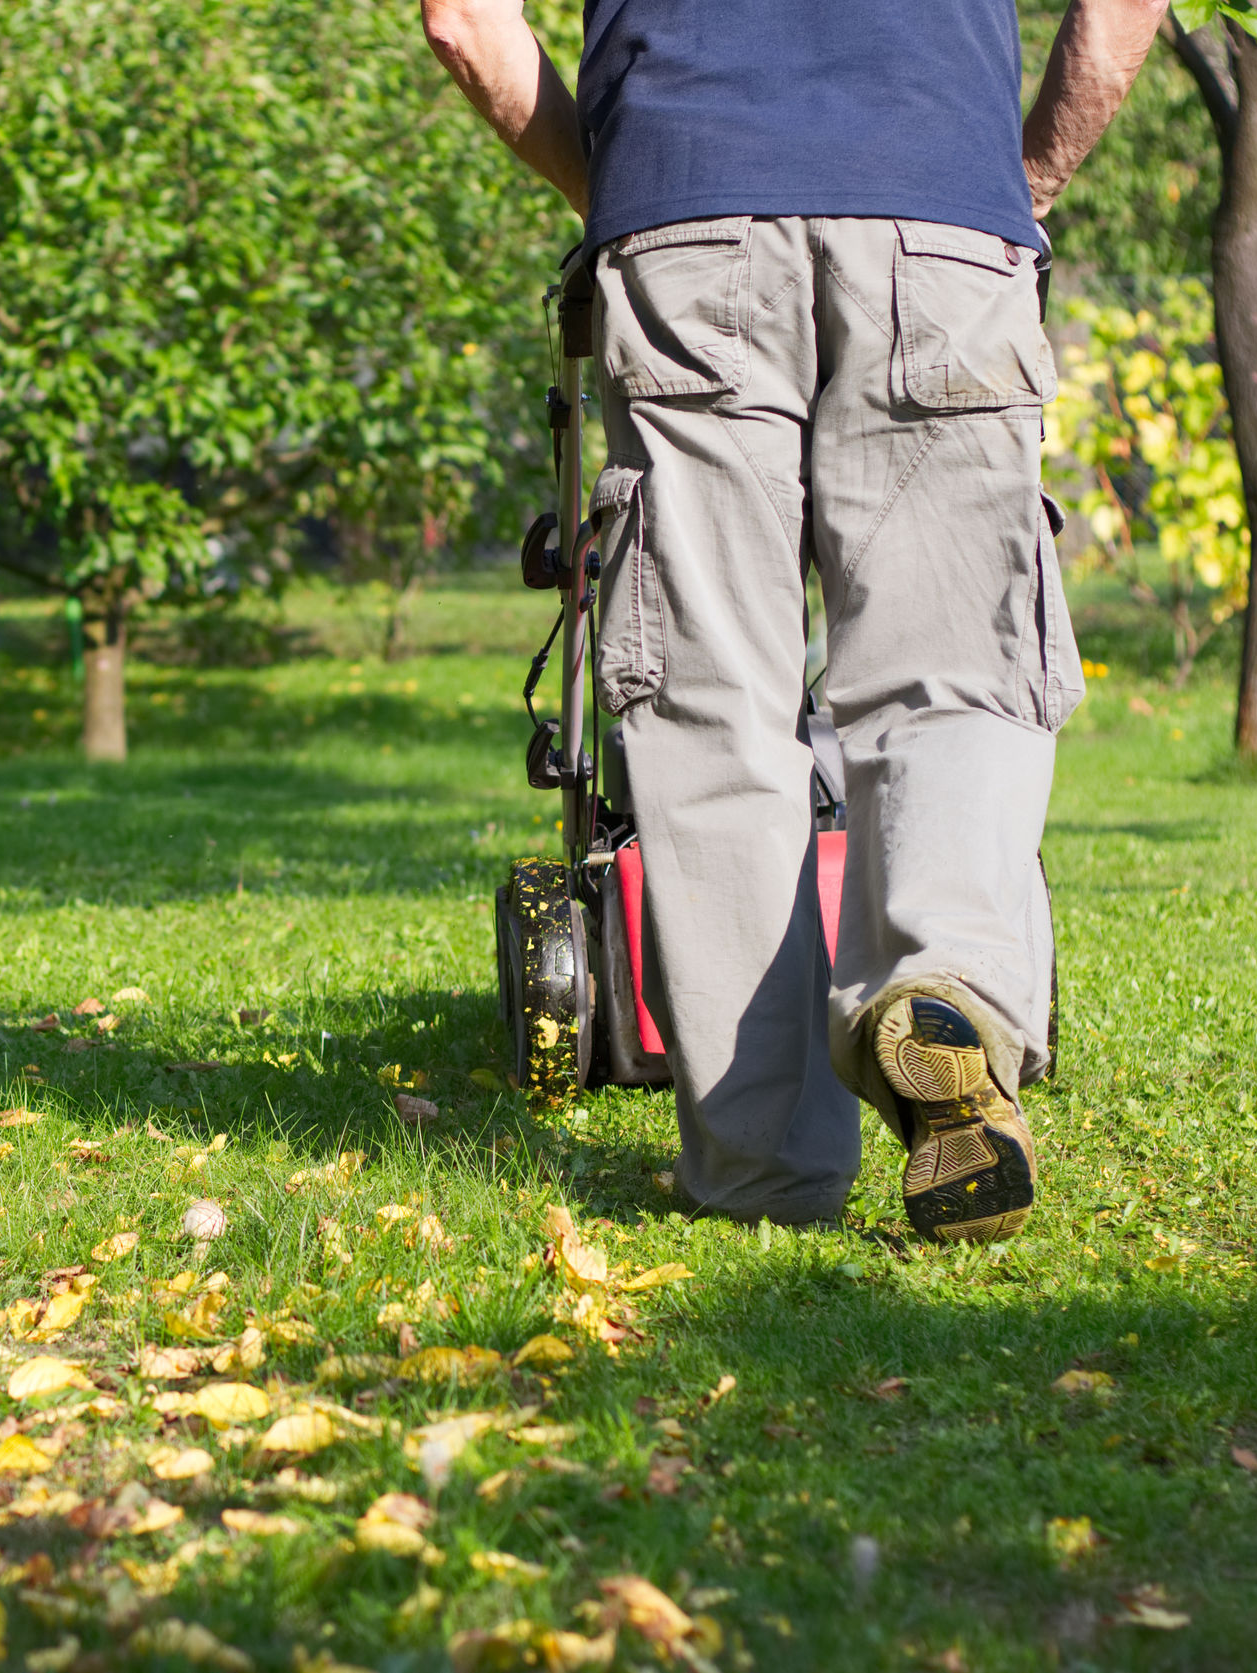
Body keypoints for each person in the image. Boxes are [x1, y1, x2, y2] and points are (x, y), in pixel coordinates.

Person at [421, 0, 1170, 1240]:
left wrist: (622, 190)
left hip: (681, 203)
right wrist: (1020, 176)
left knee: (714, 712)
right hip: (938, 196)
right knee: (952, 675)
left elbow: (463, 23)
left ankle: (764, 1172)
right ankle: (944, 986)